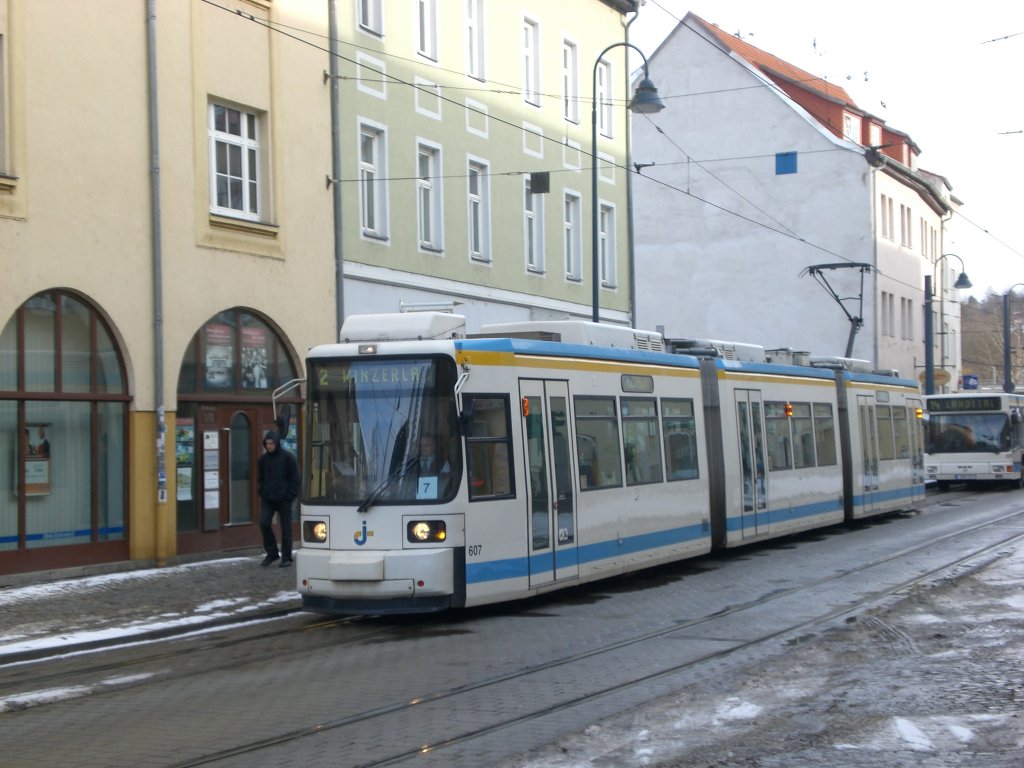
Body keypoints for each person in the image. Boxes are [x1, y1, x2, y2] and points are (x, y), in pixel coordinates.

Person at [257, 429, 299, 567]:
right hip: (268, 498)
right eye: (267, 443)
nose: (269, 446)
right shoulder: (263, 460)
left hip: (284, 498)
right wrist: (262, 491)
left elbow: (295, 478)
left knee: (286, 528)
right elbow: (260, 479)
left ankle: (286, 557)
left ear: (276, 443)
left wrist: (289, 496)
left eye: (271, 443)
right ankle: (272, 552)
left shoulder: (288, 458)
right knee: (264, 523)